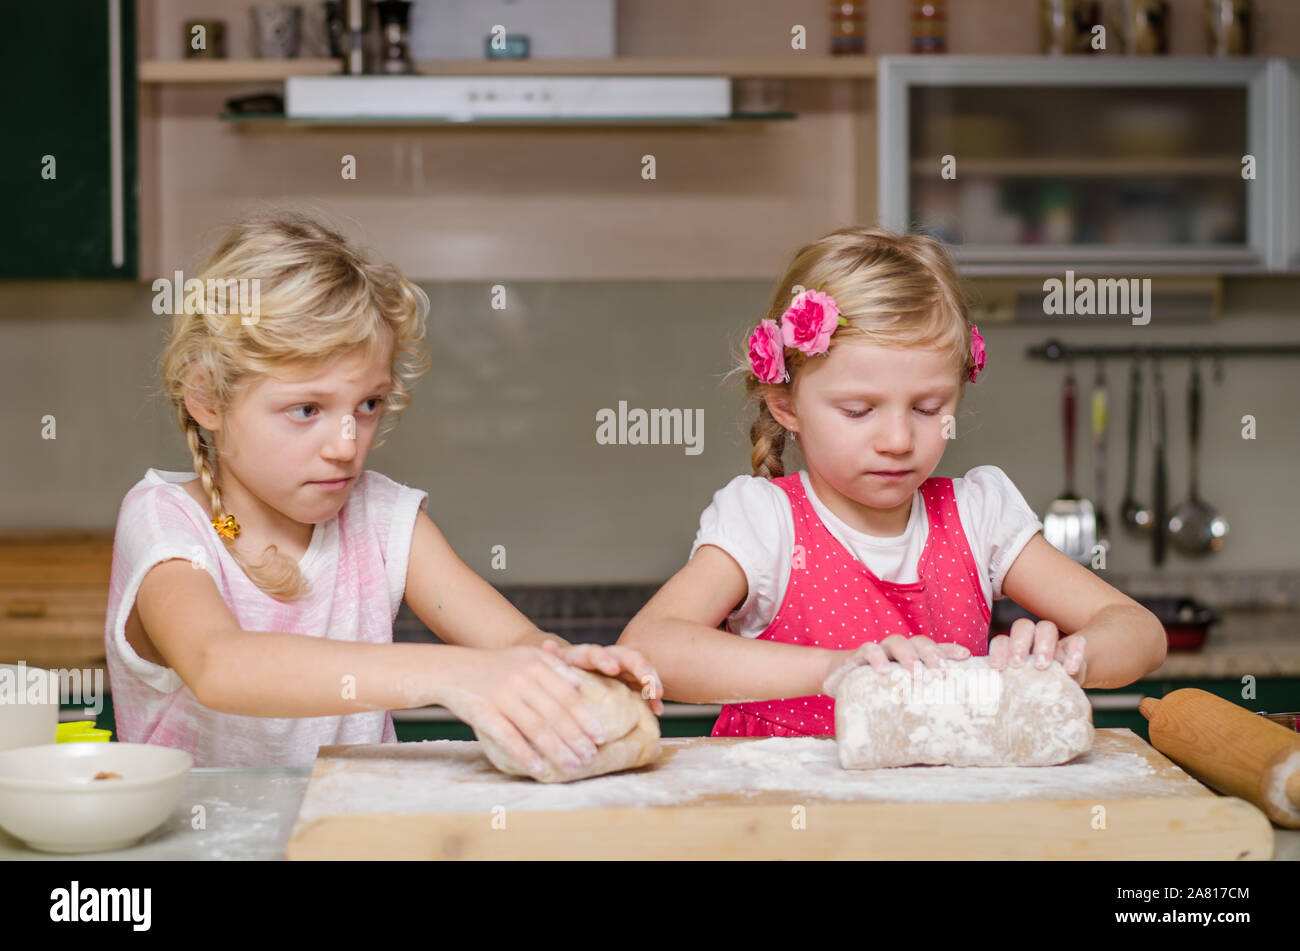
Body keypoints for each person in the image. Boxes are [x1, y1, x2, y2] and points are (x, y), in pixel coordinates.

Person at [106, 209, 661, 767]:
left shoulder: (380, 517)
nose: (346, 445)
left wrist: (569, 671)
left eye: (367, 404)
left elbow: (512, 642)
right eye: (306, 409)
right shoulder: (164, 521)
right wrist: (456, 675)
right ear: (206, 399)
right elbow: (220, 666)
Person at [619, 226, 1165, 737]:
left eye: (929, 408)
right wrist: (833, 670)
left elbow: (1141, 633)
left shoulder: (978, 515)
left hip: (938, 824)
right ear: (785, 405)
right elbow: (651, 649)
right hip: (788, 827)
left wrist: (1070, 656)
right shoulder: (766, 523)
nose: (899, 440)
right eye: (859, 411)